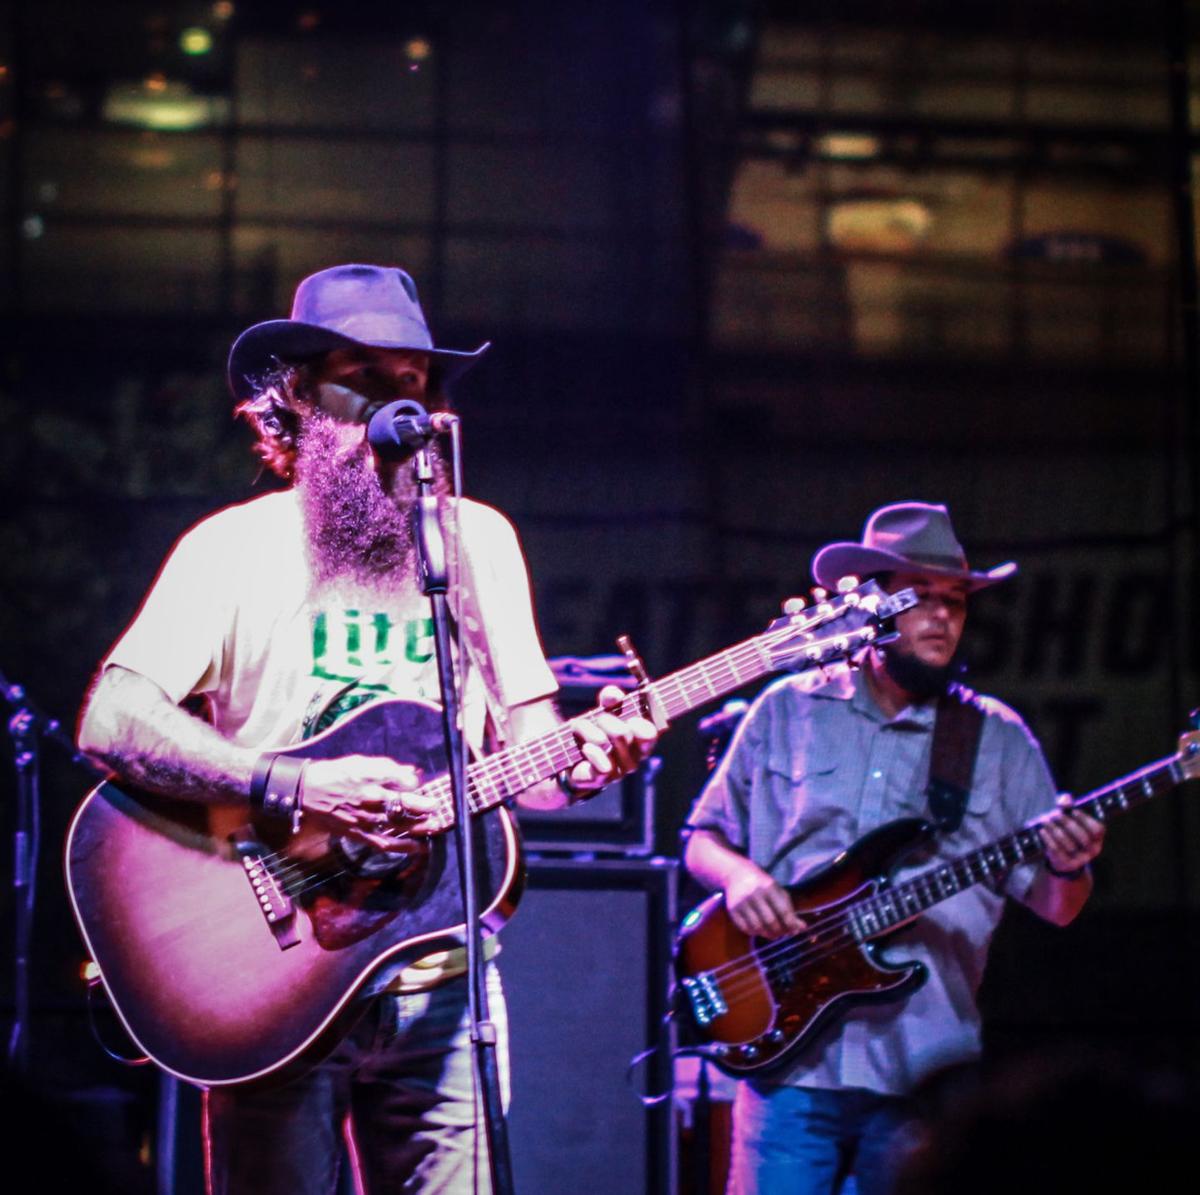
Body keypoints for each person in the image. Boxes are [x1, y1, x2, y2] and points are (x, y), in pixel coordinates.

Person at [76, 263, 659, 1194]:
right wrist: (296, 784)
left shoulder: (480, 541)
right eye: (364, 375)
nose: (398, 403)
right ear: (298, 398)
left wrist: (592, 758)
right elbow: (113, 720)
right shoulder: (231, 548)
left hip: (443, 974)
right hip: (272, 966)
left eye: (414, 379)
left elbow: (535, 766)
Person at [682, 501, 1105, 1195]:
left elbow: (1059, 907)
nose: (942, 617)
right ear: (870, 604)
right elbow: (702, 839)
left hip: (923, 1074)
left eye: (956, 601)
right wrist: (739, 879)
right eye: (920, 598)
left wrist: (1070, 861)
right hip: (789, 1063)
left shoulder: (996, 738)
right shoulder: (785, 707)